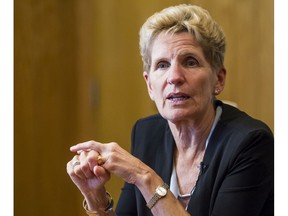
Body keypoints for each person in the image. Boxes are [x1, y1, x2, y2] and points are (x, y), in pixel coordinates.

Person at [66, 4, 274, 216]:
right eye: (162, 65)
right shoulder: (147, 133)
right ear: (149, 85)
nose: (174, 77)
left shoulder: (250, 143)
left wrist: (143, 176)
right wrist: (95, 198)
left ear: (218, 79)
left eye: (190, 62)